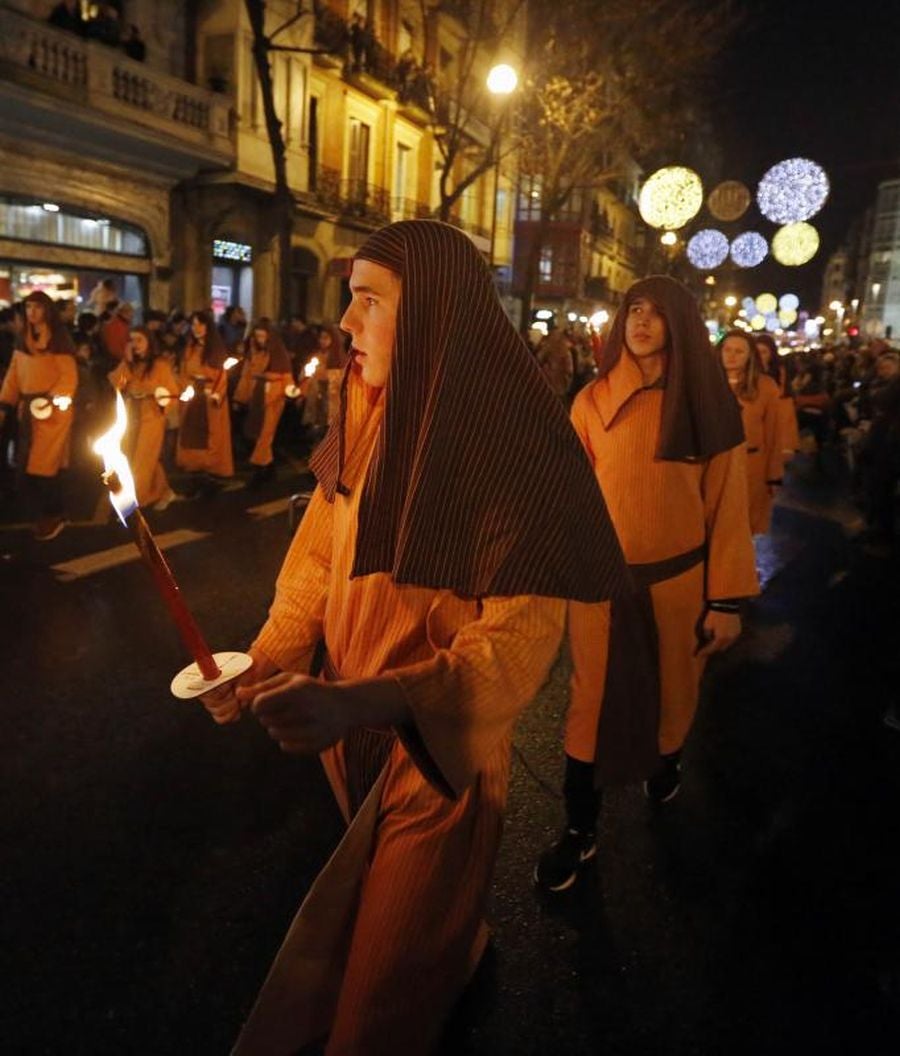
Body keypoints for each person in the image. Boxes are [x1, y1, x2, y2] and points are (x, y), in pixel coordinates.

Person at [199, 219, 627, 1055]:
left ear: (433, 312)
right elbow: (314, 568)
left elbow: (509, 653)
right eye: (347, 302)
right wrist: (260, 665)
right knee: (378, 923)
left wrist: (370, 699)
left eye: (369, 303)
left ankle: (442, 945)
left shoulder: (515, 448)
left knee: (373, 1016)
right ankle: (454, 939)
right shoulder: (365, 416)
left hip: (436, 762)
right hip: (347, 739)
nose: (347, 325)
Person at [534, 275, 758, 895]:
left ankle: (666, 763)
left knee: (674, 693)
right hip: (602, 587)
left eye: (656, 314)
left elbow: (727, 509)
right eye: (634, 310)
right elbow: (569, 495)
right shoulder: (592, 399)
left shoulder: (708, 406)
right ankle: (580, 829)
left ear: (678, 325)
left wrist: (726, 599)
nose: (640, 322)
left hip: (679, 586)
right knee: (589, 703)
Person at [0, 291, 78, 540]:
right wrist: (4, 403)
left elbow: (68, 376)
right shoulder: (24, 338)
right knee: (29, 465)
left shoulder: (59, 339)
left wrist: (55, 399)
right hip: (28, 411)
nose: (32, 312)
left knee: (45, 466)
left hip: (52, 413)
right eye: (28, 307)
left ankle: (54, 514)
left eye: (37, 307)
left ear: (47, 310)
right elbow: (14, 373)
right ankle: (47, 512)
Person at [107, 326, 181, 511]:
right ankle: (164, 491)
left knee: (142, 458)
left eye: (139, 340)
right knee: (141, 457)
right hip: (132, 416)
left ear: (149, 342)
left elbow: (172, 393)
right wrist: (127, 362)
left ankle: (136, 502)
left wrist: (152, 392)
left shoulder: (160, 365)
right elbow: (118, 383)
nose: (135, 344)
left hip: (152, 417)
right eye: (131, 340)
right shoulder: (130, 364)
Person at [720, 329, 783, 535]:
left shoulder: (765, 386)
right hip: (714, 465)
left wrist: (774, 475)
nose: (731, 355)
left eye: (739, 351)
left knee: (742, 527)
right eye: (727, 349)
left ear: (750, 356)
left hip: (750, 466)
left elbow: (774, 433)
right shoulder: (706, 383)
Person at [176, 310, 234, 494]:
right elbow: (184, 374)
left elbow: (222, 378)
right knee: (192, 435)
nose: (197, 329)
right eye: (193, 325)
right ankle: (195, 474)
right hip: (194, 397)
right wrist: (185, 389)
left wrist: (216, 394)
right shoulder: (189, 349)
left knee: (212, 436)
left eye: (200, 324)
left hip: (210, 400)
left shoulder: (216, 350)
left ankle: (210, 475)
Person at [232, 318, 294, 487]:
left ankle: (259, 471)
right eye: (257, 336)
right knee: (255, 433)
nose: (260, 339)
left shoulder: (277, 353)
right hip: (256, 399)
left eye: (263, 336)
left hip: (273, 399)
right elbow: (246, 375)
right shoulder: (253, 353)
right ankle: (268, 467)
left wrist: (290, 390)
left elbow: (286, 377)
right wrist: (239, 397)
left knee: (264, 435)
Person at [755, 333, 799, 460]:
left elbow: (785, 413)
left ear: (771, 354)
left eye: (763, 352)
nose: (759, 357)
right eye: (756, 352)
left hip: (772, 437)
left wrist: (787, 446)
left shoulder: (779, 378)